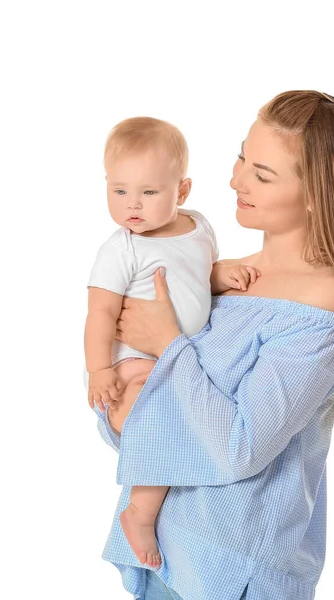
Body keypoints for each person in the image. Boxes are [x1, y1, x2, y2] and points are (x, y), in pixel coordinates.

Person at [93, 90, 334, 600]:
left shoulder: (323, 307)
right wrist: (118, 398)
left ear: (316, 193)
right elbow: (146, 436)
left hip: (232, 573)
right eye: (243, 155)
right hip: (168, 554)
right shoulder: (223, 278)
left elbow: (238, 449)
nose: (235, 179)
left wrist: (168, 344)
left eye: (262, 174)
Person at [84, 115, 261, 569]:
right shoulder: (121, 249)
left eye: (148, 192)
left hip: (179, 356)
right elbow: (101, 313)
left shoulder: (198, 227)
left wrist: (219, 275)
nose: (132, 206)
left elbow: (197, 274)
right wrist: (102, 370)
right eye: (119, 191)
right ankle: (140, 512)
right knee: (162, 417)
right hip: (131, 361)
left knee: (190, 412)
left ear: (181, 192)